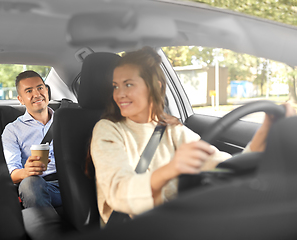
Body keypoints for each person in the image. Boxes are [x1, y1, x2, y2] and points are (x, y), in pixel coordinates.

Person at [89, 46, 296, 225]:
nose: (119, 94)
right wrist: (171, 169)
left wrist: (266, 130)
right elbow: (119, 191)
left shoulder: (172, 130)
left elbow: (225, 166)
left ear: (155, 87)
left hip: (176, 220)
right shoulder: (107, 130)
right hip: (133, 228)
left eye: (128, 84)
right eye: (115, 86)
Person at [2, 70, 61, 209]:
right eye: (29, 91)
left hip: (74, 182)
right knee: (30, 184)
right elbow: (12, 174)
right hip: (42, 186)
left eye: (40, 88)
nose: (37, 94)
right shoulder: (12, 130)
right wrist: (26, 172)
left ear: (47, 91)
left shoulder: (66, 119)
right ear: (20, 99)